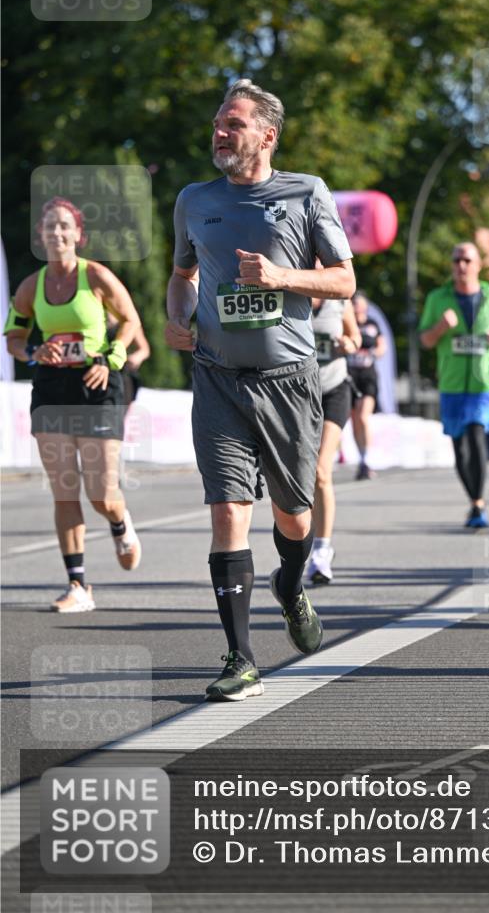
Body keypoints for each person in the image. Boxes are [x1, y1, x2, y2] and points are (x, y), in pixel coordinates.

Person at [165, 79, 355, 702]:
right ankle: (240, 658)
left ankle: (291, 585)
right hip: (217, 377)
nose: (220, 133)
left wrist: (280, 276)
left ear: (267, 135)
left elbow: (344, 281)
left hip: (289, 383)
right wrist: (177, 314)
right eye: (218, 124)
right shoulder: (194, 199)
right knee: (227, 511)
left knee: (294, 517)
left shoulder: (306, 192)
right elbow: (183, 275)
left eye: (234, 124)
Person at [3, 197, 143, 612]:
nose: (57, 232)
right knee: (64, 491)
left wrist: (111, 358)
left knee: (101, 495)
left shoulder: (95, 275)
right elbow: (13, 338)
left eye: (65, 225)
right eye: (50, 226)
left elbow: (131, 321)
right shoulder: (31, 286)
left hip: (96, 385)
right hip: (51, 389)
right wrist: (33, 352)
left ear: (78, 234)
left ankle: (119, 520)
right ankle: (78, 585)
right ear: (40, 235)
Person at [419, 242, 489, 528]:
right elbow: (425, 340)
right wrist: (440, 327)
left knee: (476, 434)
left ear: (478, 265)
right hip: (451, 382)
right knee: (460, 448)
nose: (461, 265)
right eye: (456, 260)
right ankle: (474, 501)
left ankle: (478, 503)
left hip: (484, 381)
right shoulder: (438, 298)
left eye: (467, 260)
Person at [307, 292, 361, 584]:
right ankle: (302, 543)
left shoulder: (340, 300)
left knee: (321, 470)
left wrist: (349, 344)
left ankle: (321, 551)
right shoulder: (288, 292)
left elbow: (355, 337)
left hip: (335, 390)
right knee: (299, 476)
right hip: (298, 394)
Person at [347, 291, 386, 479]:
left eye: (359, 303)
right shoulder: (347, 323)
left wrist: (374, 353)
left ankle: (368, 459)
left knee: (363, 416)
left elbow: (382, 346)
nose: (356, 306)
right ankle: (362, 459)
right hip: (350, 374)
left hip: (367, 375)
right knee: (355, 420)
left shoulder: (372, 324)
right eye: (353, 303)